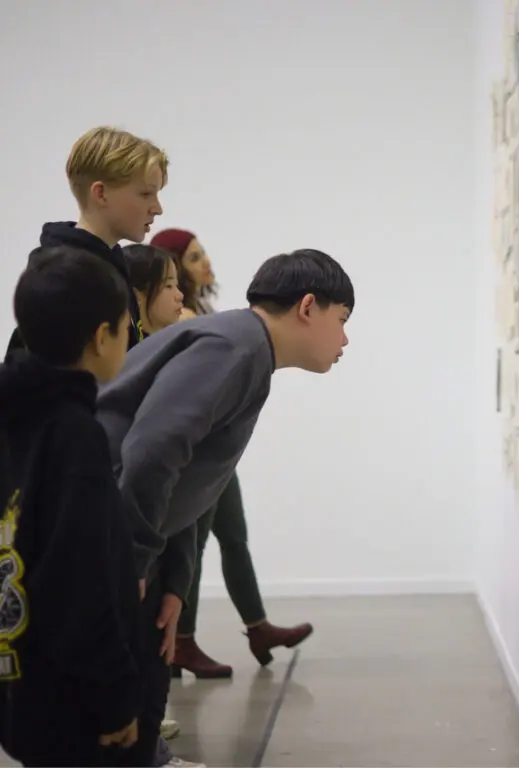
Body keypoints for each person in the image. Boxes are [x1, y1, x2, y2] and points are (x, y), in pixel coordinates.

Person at [96, 248, 353, 765]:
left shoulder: (245, 348)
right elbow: (151, 451)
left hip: (127, 537)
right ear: (308, 307)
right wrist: (136, 560)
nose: (345, 339)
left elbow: (188, 482)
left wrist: (174, 578)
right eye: (342, 321)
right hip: (101, 535)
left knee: (145, 675)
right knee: (107, 695)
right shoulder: (234, 349)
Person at [149, 229, 313, 678]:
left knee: (234, 538)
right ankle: (182, 641)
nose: (207, 264)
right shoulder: (183, 318)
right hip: (197, 457)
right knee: (193, 546)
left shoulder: (199, 314)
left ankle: (257, 626)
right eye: (196, 257)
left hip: (216, 455)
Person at [0, 247, 142, 766]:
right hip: (75, 707)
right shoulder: (76, 435)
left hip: (21, 686)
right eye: (128, 326)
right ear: (102, 335)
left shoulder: (17, 419)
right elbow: (79, 580)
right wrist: (113, 698)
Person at [122, 244, 201, 768]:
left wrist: (178, 580)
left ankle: (153, 749)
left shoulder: (167, 352)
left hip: (162, 542)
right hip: (136, 545)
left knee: (153, 656)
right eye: (169, 284)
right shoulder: (131, 365)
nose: (180, 293)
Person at [6, 125, 167, 357]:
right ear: (101, 194)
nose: (157, 208)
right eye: (145, 194)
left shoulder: (110, 264)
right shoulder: (64, 280)